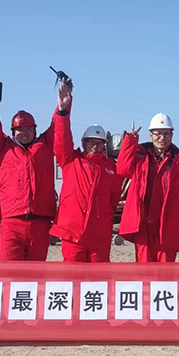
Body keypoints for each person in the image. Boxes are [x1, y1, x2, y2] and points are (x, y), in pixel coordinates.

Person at [0, 80, 57, 261]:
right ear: (13, 131)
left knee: (36, 273)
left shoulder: (46, 145)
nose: (24, 132)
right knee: (10, 272)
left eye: (29, 129)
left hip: (40, 222)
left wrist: (63, 105)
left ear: (35, 130)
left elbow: (59, 125)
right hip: (11, 221)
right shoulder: (2, 147)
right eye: (20, 129)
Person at [51, 84, 123, 262]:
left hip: (99, 235)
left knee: (99, 276)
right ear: (83, 142)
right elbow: (61, 138)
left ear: (104, 145)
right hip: (73, 234)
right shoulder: (71, 161)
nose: (94, 145)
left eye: (98, 142)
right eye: (90, 141)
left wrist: (104, 216)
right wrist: (62, 111)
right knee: (72, 275)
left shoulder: (111, 168)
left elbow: (114, 198)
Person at [117, 112, 179, 263]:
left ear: (172, 135)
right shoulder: (140, 156)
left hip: (168, 226)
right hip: (143, 224)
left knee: (166, 271)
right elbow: (122, 169)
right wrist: (130, 141)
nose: (162, 138)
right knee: (144, 269)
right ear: (150, 135)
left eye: (166, 134)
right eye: (158, 133)